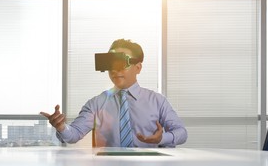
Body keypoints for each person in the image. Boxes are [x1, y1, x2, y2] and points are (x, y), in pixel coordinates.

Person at [40, 39, 187, 147]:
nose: (115, 70)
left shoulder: (157, 101)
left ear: (138, 67)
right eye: (111, 63)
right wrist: (61, 127)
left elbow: (181, 132)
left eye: (122, 63)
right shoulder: (96, 103)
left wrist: (161, 139)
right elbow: (74, 134)